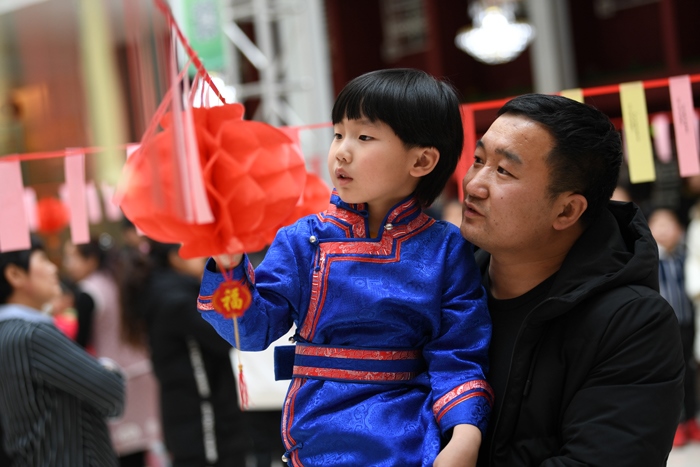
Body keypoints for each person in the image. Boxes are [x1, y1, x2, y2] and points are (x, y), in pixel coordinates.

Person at [197, 68, 493, 466]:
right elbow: (250, 331)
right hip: (315, 433)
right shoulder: (302, 239)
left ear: (422, 160)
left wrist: (465, 436)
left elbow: (458, 353)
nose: (341, 151)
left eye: (363, 137)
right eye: (338, 134)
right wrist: (228, 266)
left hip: (411, 439)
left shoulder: (446, 248)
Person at [459, 93, 685, 466]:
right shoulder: (441, 284)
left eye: (504, 171)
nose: (473, 185)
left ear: (566, 210)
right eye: (479, 160)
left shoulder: (633, 324)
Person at [119, 240, 283, 466]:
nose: (205, 256)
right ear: (176, 257)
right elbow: (225, 338)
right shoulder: (178, 301)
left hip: (190, 411)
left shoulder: (166, 292)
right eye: (197, 251)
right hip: (203, 415)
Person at [0, 236, 125, 466]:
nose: (54, 268)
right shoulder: (32, 334)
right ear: (15, 275)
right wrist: (107, 368)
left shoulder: (8, 331)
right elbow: (111, 391)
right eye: (43, 260)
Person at [63, 238, 161, 466]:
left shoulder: (88, 291)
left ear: (90, 260)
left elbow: (81, 344)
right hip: (145, 371)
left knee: (123, 453)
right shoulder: (121, 280)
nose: (67, 264)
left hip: (116, 379)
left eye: (71, 257)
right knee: (142, 450)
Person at [648, 207, 700, 446]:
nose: (663, 229)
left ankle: (691, 421)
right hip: (663, 329)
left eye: (668, 223)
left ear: (680, 230)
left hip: (687, 325)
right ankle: (676, 424)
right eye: (657, 223)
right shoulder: (649, 260)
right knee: (670, 375)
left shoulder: (685, 258)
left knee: (689, 373)